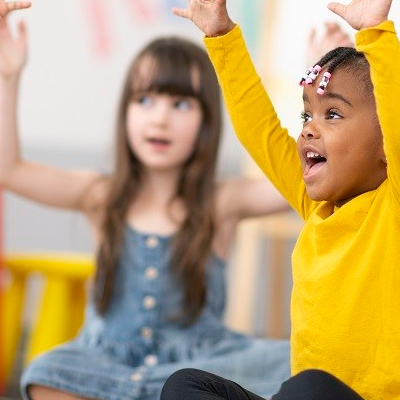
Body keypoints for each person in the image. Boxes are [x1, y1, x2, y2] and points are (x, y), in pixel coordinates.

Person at [0, 3, 294, 400]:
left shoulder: (222, 200)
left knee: (296, 362)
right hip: (103, 363)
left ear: (207, 121)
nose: (159, 119)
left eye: (180, 104)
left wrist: (332, 107)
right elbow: (10, 170)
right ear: (125, 113)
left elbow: (301, 182)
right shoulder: (101, 195)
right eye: (145, 100)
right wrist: (8, 76)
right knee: (46, 374)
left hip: (198, 364)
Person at [164, 0, 400, 399]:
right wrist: (221, 37)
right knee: (185, 386)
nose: (309, 130)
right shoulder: (317, 208)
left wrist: (375, 32)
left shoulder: (390, 207)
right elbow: (262, 132)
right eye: (308, 115)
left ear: (384, 144)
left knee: (309, 386)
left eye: (334, 115)